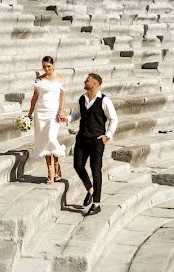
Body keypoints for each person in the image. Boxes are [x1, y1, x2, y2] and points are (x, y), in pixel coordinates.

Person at [62, 73, 118, 216]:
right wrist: (66, 118)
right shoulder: (82, 98)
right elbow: (76, 115)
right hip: (82, 138)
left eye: (87, 80)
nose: (84, 81)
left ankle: (96, 204)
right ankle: (90, 190)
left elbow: (113, 119)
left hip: (97, 140)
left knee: (96, 170)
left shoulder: (105, 100)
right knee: (78, 165)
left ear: (95, 84)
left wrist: (107, 136)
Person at [27, 56, 67, 184]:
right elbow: (34, 97)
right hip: (40, 112)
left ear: (53, 65)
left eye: (48, 66)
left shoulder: (60, 77)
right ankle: (50, 169)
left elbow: (62, 96)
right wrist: (30, 112)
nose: (46, 69)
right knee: (44, 140)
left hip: (53, 112)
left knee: (51, 137)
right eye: (44, 67)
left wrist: (61, 110)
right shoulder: (39, 79)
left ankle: (55, 165)